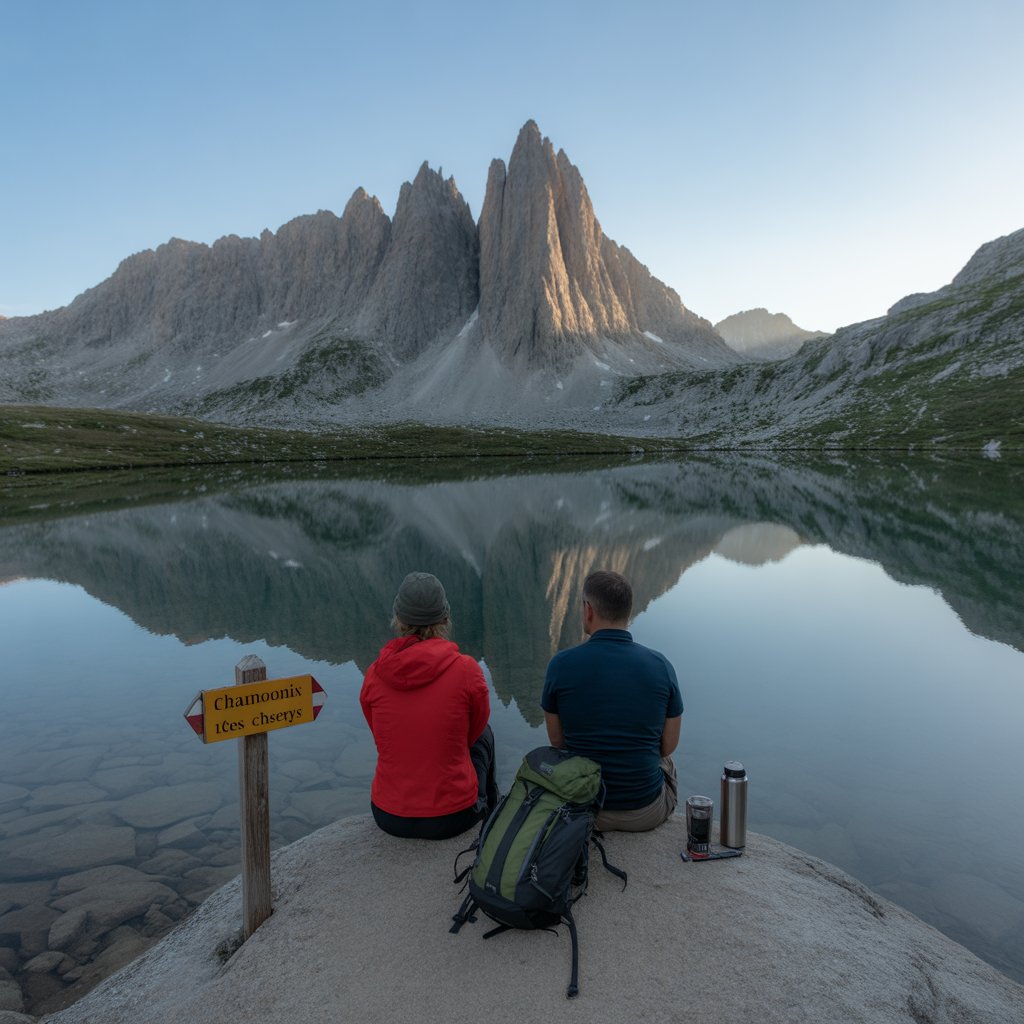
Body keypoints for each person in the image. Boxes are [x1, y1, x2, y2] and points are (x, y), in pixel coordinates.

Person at [541, 569, 682, 832]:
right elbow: (668, 746)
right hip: (645, 812)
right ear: (628, 612)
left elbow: (557, 742)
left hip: (583, 808)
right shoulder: (661, 666)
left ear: (588, 610)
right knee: (665, 761)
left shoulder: (560, 665)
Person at [360, 571, 497, 840]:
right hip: (454, 817)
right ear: (445, 618)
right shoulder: (467, 670)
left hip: (388, 815)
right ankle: (491, 821)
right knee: (484, 735)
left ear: (398, 619)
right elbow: (474, 729)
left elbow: (379, 735)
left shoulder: (374, 675)